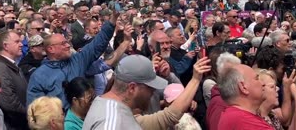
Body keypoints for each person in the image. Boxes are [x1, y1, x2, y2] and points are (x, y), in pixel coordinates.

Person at [83, 55, 211, 130]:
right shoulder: (111, 122)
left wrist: (195, 80)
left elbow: (168, 117)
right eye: (150, 87)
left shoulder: (113, 107)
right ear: (132, 88)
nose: (154, 92)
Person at [27, 13, 116, 109]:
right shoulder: (39, 75)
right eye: (63, 43)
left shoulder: (77, 61)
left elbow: (97, 44)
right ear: (51, 49)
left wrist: (112, 21)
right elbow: (35, 110)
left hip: (82, 120)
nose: (68, 46)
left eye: (67, 42)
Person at [0, 31, 29, 130]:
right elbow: (9, 103)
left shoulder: (12, 65)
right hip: (14, 125)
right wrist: (29, 114)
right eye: (17, 42)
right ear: (6, 46)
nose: (21, 44)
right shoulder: (0, 68)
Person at [217, 64, 273, 129]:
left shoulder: (231, 116)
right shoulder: (246, 122)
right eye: (257, 78)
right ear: (243, 87)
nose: (263, 84)